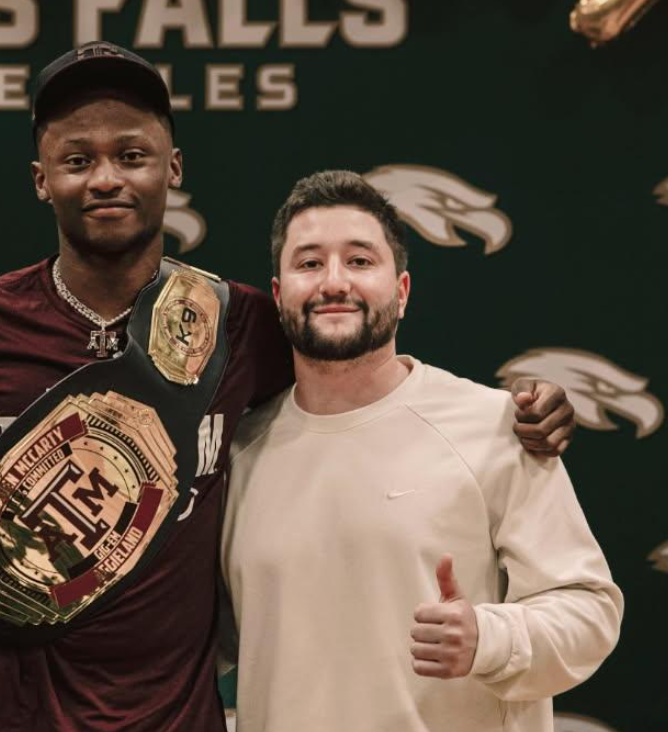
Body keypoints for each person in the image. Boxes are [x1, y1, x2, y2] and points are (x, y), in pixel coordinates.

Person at [0, 44, 576, 731]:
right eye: (77, 160)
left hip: (173, 718)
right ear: (41, 180)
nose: (106, 178)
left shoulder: (239, 327)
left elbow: (368, 384)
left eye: (132, 155)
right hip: (6, 712)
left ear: (173, 168)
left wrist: (523, 416)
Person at [220, 170, 623, 732]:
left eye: (360, 260)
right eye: (309, 263)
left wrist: (489, 639)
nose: (334, 282)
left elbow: (589, 610)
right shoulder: (235, 453)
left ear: (402, 292)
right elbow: (189, 640)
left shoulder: (495, 427)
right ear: (280, 294)